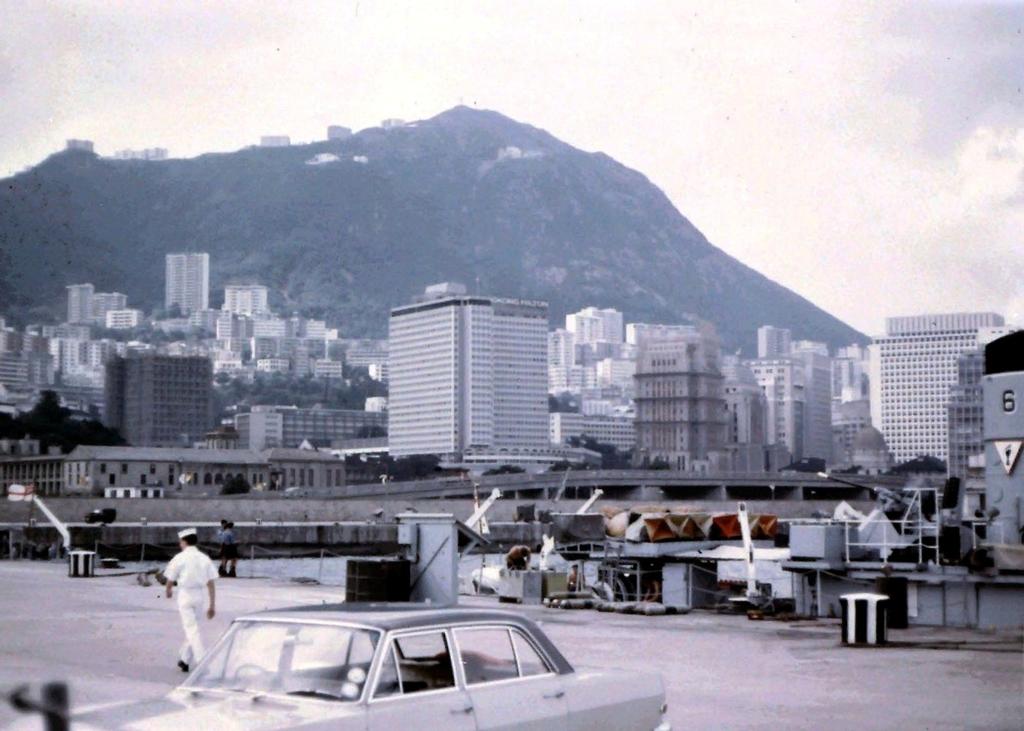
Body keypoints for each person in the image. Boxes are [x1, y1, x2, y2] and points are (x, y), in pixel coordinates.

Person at [164, 528, 217, 673]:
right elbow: (211, 583)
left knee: (192, 630)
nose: (180, 544)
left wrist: (168, 590)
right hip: (199, 596)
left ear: (184, 541)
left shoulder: (180, 557)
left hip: (185, 594)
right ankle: (185, 660)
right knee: (194, 629)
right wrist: (212, 605)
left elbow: (170, 577)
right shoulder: (204, 558)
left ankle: (202, 661)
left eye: (181, 541)